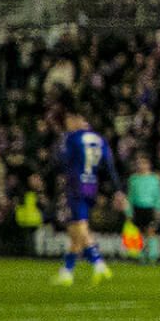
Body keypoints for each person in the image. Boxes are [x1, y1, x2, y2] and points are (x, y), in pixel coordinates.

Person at [53, 111, 123, 286]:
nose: (67, 123)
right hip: (91, 185)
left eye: (69, 119)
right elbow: (109, 166)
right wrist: (117, 190)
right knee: (74, 229)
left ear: (79, 120)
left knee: (80, 226)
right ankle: (67, 271)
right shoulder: (100, 139)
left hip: (75, 185)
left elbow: (61, 160)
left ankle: (97, 261)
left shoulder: (72, 138)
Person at [125, 155, 160, 263]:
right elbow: (130, 196)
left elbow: (158, 195)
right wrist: (129, 211)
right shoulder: (133, 179)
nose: (141, 166)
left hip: (150, 208)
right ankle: (141, 254)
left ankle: (153, 255)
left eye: (144, 163)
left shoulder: (154, 179)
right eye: (139, 163)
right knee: (139, 233)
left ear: (149, 165)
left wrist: (159, 209)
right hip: (137, 208)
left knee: (151, 231)